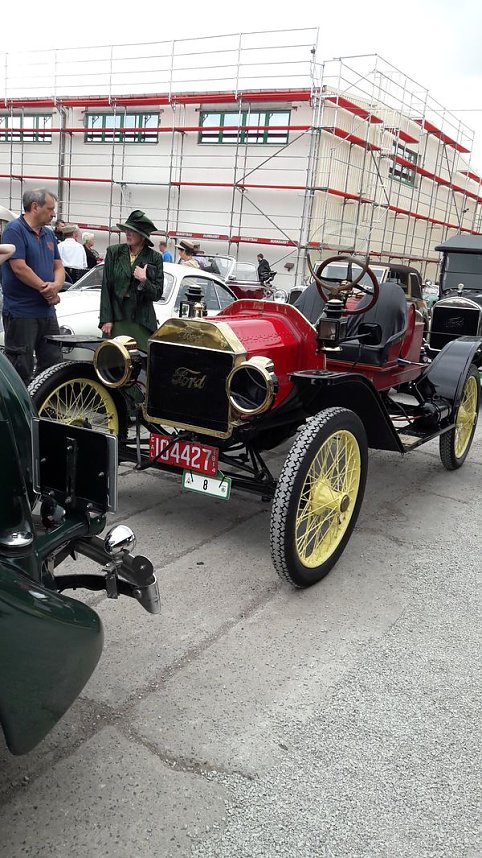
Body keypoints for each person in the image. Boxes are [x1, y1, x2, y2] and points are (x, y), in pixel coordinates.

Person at [1, 188, 64, 386]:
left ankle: (46, 402)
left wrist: (56, 286)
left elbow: (58, 266)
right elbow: (19, 268)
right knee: (20, 368)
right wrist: (48, 290)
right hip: (22, 312)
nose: (53, 214)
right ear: (35, 207)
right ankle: (20, 405)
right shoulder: (14, 230)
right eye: (50, 209)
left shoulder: (49, 235)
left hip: (46, 311)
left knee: (54, 365)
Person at [99, 209, 163, 352]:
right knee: (113, 358)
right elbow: (106, 287)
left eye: (132, 231)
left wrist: (144, 281)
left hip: (142, 319)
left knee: (141, 361)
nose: (127, 233)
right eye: (126, 230)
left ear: (142, 236)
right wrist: (106, 319)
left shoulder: (155, 258)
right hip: (117, 316)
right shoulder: (114, 252)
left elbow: (157, 294)